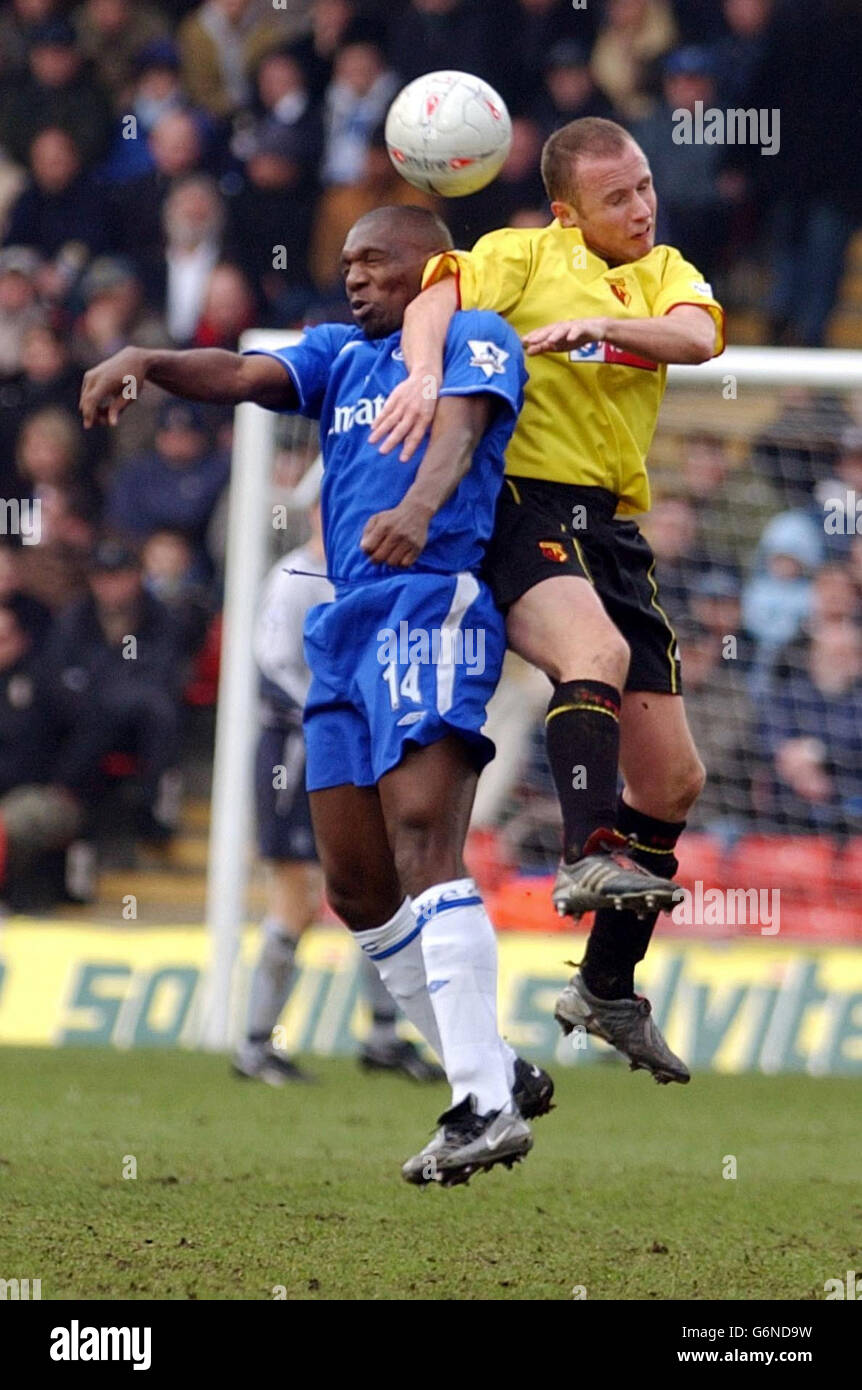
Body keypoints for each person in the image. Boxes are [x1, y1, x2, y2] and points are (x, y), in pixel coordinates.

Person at [79, 204, 554, 1188]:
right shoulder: (339, 353)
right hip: (339, 628)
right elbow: (246, 376)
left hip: (429, 601)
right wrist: (148, 359)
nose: (353, 275)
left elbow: (461, 430)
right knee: (356, 886)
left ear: (428, 266)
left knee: (425, 840)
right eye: (345, 262)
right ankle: (494, 1065)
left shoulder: (473, 333)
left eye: (374, 260)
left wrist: (417, 508)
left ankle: (483, 1100)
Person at [370, 117, 726, 1085]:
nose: (641, 206)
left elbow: (695, 338)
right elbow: (431, 302)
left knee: (673, 781)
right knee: (593, 657)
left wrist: (602, 327)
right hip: (520, 504)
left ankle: (606, 989)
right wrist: (422, 373)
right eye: (617, 198)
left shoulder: (663, 273)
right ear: (568, 211)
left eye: (645, 186)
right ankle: (581, 853)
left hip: (610, 527)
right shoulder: (521, 255)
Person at [234, 504, 445, 1086]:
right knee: (298, 898)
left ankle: (382, 1038)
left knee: (381, 888)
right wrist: (340, 714)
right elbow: (273, 669)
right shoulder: (293, 579)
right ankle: (255, 1045)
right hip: (294, 751)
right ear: (315, 515)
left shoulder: (366, 576)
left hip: (357, 751)